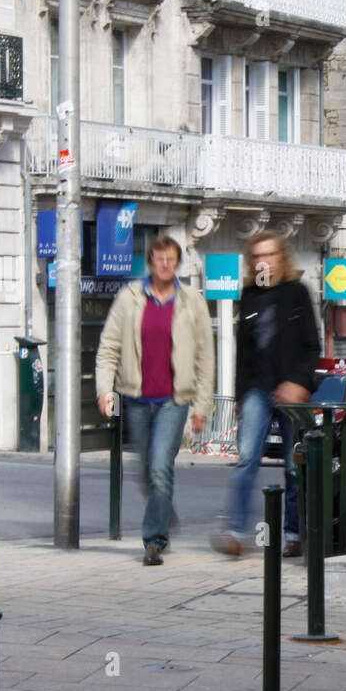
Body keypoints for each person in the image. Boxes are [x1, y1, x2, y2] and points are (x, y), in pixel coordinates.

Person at [95, 235, 215, 566]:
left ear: (177, 264)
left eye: (171, 259)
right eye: (159, 259)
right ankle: (163, 512)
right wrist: (105, 390)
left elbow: (205, 358)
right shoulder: (129, 298)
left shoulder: (192, 301)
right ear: (150, 262)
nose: (165, 264)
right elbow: (109, 348)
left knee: (161, 468)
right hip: (136, 398)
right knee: (147, 473)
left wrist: (201, 407)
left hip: (173, 401)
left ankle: (153, 541)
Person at [211, 231, 321, 557]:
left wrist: (298, 382)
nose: (265, 262)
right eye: (258, 256)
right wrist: (241, 395)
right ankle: (235, 532)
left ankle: (292, 533)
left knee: (292, 465)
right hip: (257, 389)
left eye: (270, 255)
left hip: (291, 389)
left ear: (281, 257)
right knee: (246, 459)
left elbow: (311, 346)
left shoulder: (297, 292)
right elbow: (242, 353)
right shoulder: (248, 296)